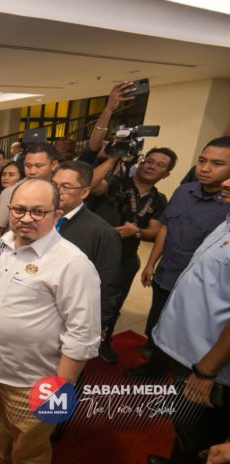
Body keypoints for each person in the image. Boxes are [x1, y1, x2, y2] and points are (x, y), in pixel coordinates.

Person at [0, 179, 101, 464]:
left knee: (30, 447)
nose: (26, 218)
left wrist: (58, 390)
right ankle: (0, 457)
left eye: (38, 211)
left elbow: (83, 337)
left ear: (57, 214)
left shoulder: (73, 263)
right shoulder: (4, 242)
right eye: (19, 209)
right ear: (9, 209)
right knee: (3, 425)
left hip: (34, 381)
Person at [145, 175, 230, 464]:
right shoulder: (226, 220)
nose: (226, 182)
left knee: (200, 434)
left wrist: (206, 371)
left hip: (210, 363)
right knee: (186, 423)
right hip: (193, 354)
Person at [131, 136, 230, 376]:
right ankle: (154, 368)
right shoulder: (184, 191)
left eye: (217, 164)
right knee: (156, 323)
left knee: (190, 338)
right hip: (167, 274)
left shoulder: (227, 205)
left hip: (200, 289)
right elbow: (166, 228)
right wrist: (151, 263)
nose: (205, 168)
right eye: (202, 161)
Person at [89, 146, 175, 358]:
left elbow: (155, 231)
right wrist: (114, 158)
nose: (151, 166)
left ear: (166, 174)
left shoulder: (159, 199)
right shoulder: (117, 182)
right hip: (95, 254)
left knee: (113, 303)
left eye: (160, 165)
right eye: (149, 161)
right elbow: (91, 186)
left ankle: (104, 341)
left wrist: (136, 232)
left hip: (125, 258)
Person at [52, 161, 122, 363]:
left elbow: (107, 285)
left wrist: (97, 325)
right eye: (54, 184)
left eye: (66, 187)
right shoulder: (41, 219)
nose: (57, 191)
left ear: (84, 192)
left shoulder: (102, 232)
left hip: (72, 321)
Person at [0, 142, 60, 255]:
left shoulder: (60, 191)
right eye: (28, 166)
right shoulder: (11, 192)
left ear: (53, 165)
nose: (32, 171)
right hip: (14, 254)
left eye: (38, 166)